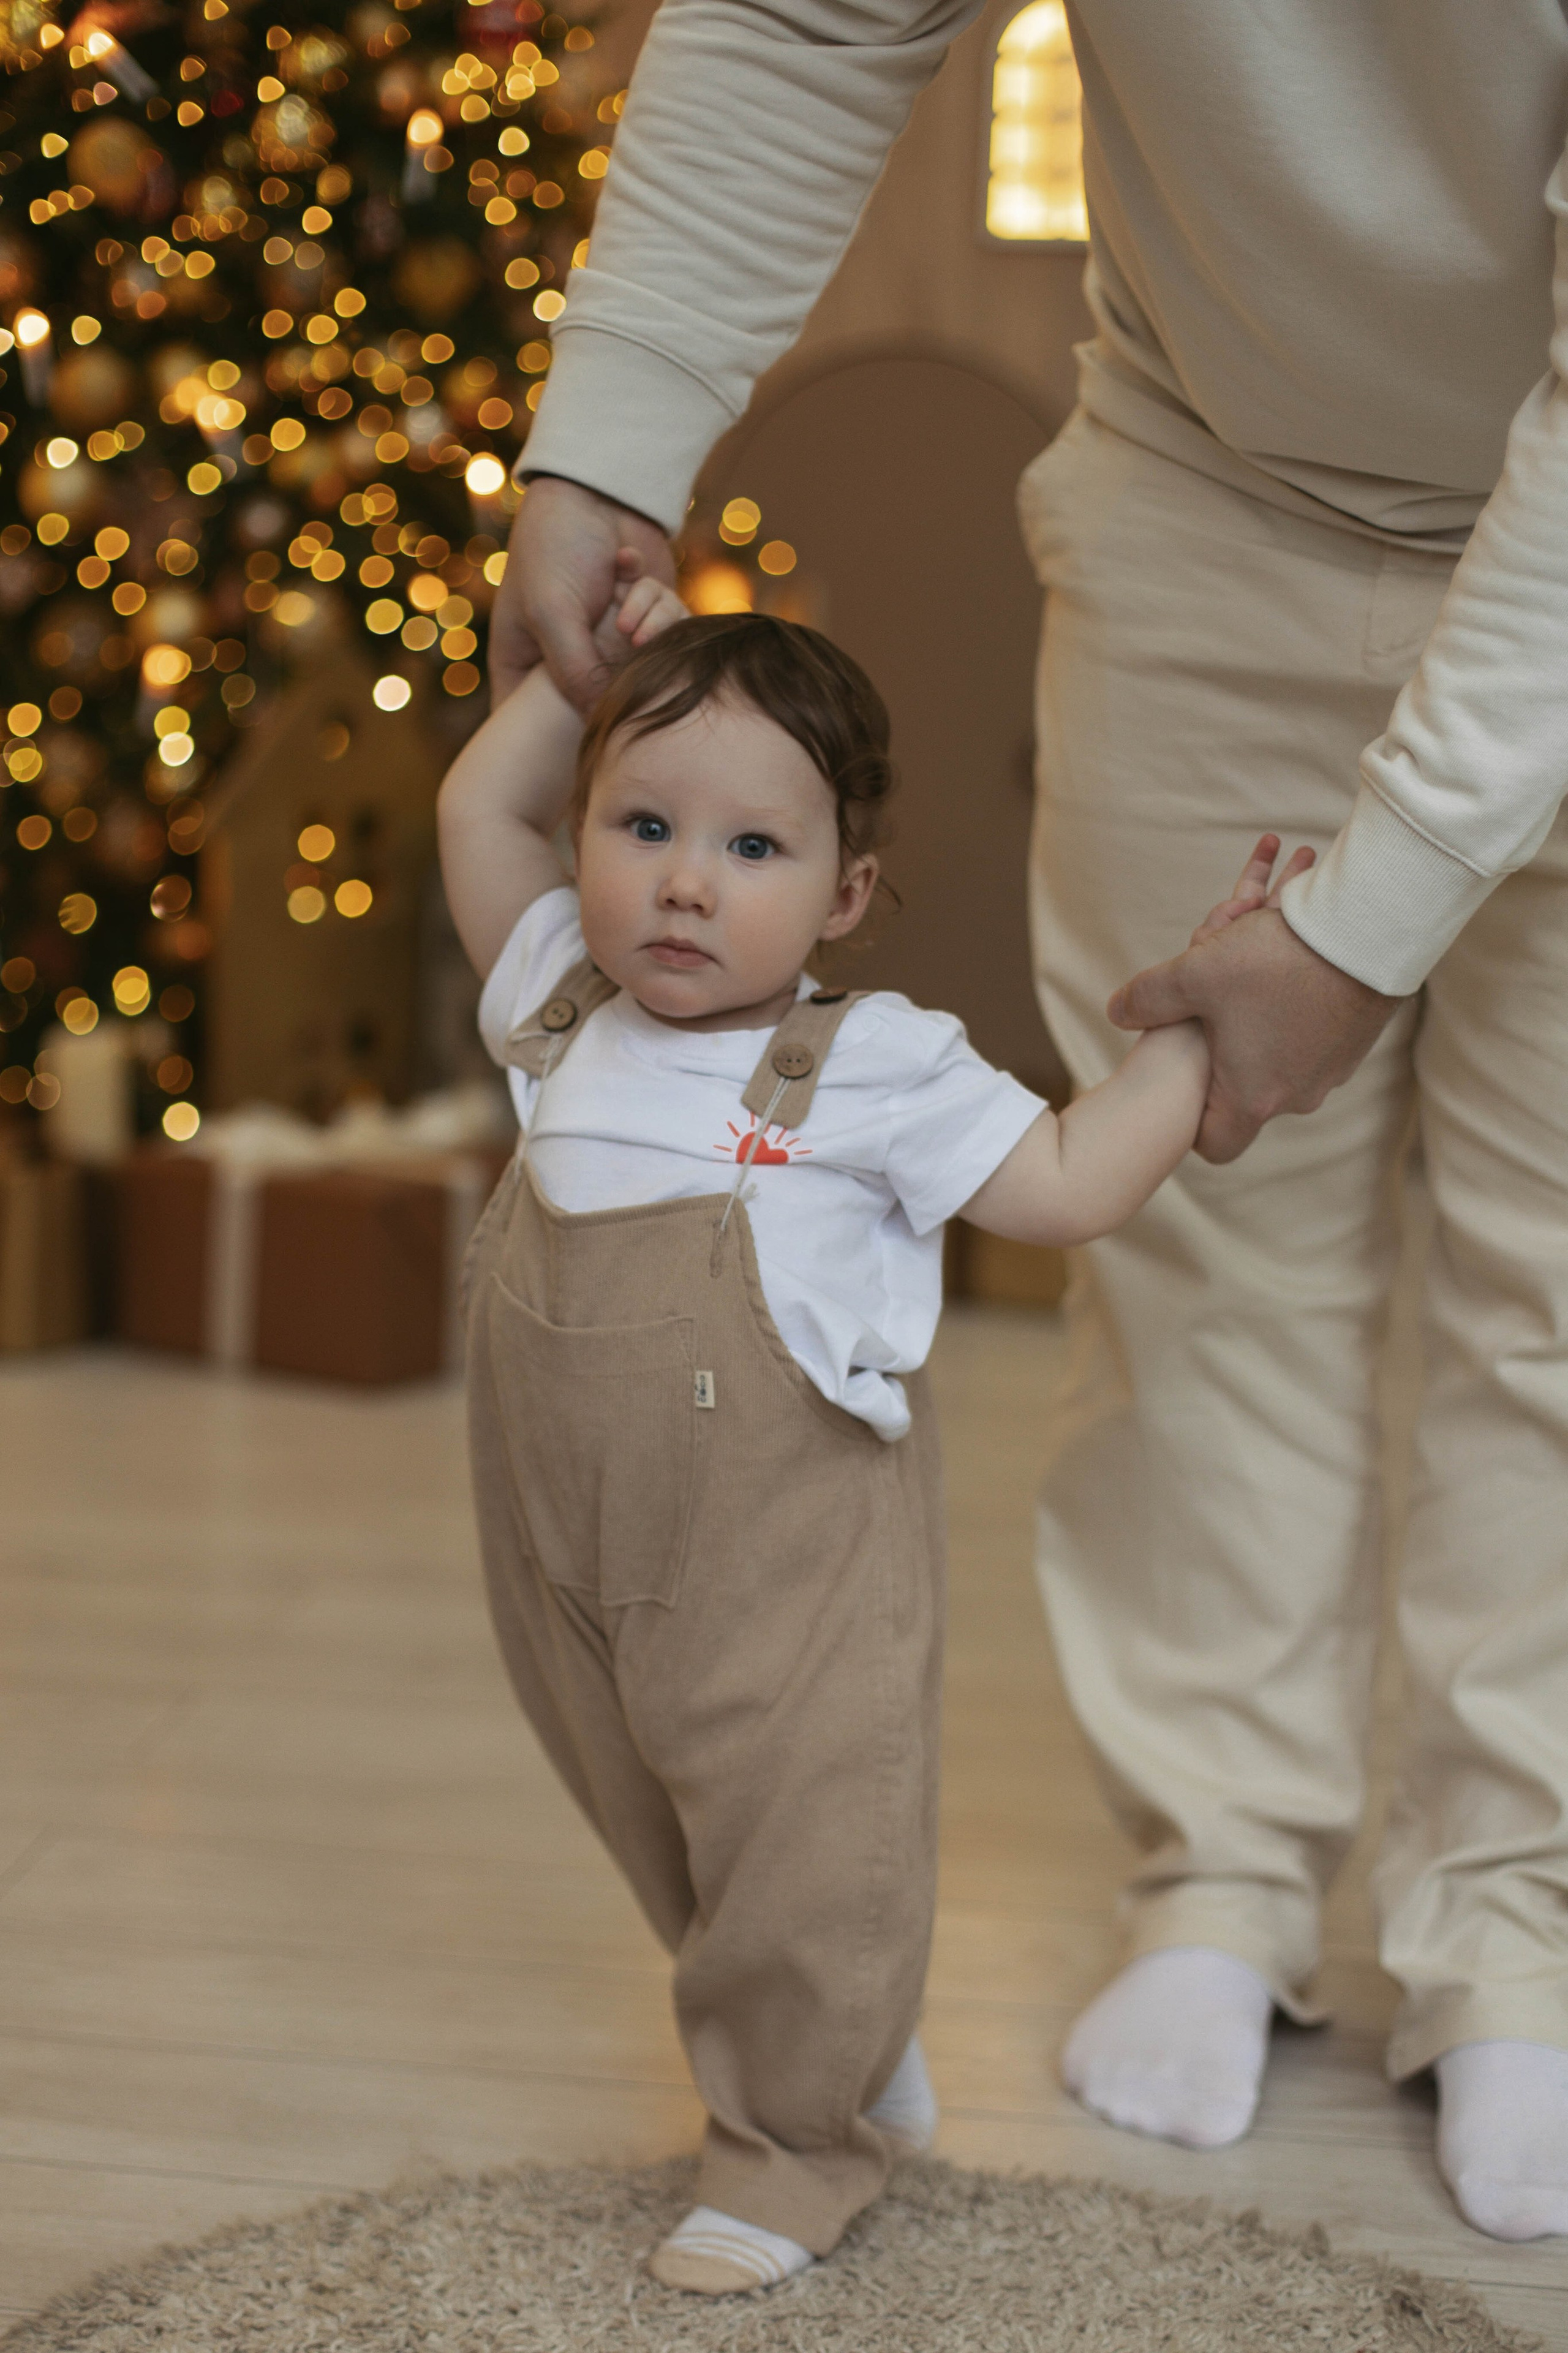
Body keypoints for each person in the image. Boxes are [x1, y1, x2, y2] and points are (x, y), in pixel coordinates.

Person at [484, 3, 1568, 2246]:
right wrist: (607, 440)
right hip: (1215, 486)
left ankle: (1523, 1925)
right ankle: (1219, 1868)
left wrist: (1365, 920)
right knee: (1205, 1260)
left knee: (1553, 1278)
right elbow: (810, 13)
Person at [439, 575, 1292, 2294]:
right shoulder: (557, 1004)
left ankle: (795, 2142)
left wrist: (1200, 1036)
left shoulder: (871, 1067)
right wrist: (585, 673)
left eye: (752, 847)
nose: (686, 879)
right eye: (643, 823)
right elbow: (479, 807)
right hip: (567, 1558)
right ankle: (838, 2036)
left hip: (790, 1567)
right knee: (668, 1828)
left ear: (846, 893)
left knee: (804, 1835)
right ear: (586, 832)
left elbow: (1065, 1182)